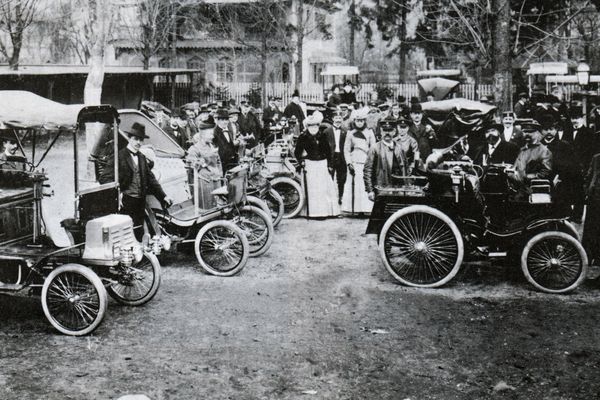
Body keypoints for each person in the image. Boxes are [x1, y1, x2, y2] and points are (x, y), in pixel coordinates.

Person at [111, 122, 172, 241]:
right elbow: (106, 178)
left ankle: (140, 257)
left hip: (140, 201)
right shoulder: (119, 156)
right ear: (129, 138)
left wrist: (163, 196)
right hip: (125, 202)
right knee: (126, 233)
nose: (138, 142)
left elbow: (151, 180)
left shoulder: (142, 158)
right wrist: (118, 193)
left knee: (138, 230)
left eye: (140, 140)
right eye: (135, 139)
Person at [294, 113, 340, 218]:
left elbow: (328, 151)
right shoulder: (303, 136)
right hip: (310, 165)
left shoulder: (322, 135)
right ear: (307, 126)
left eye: (315, 125)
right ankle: (313, 213)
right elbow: (297, 152)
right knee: (313, 190)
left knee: (324, 189)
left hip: (322, 164)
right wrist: (301, 161)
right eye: (311, 126)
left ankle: (325, 212)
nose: (313, 128)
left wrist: (329, 164)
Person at [539, 114, 578, 215]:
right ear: (541, 131)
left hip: (560, 186)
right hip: (539, 185)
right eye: (545, 129)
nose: (548, 132)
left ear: (556, 130)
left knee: (559, 214)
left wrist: (560, 176)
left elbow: (572, 167)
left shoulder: (564, 146)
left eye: (551, 129)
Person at [364, 119, 409, 202]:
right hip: (382, 188)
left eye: (390, 130)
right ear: (381, 131)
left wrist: (408, 186)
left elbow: (406, 169)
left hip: (399, 188)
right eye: (385, 130)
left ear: (394, 131)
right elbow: (368, 170)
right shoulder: (375, 148)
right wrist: (370, 190)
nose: (387, 133)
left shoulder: (400, 148)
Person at [566, 107, 598, 222]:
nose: (574, 121)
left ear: (582, 119)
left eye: (577, 118)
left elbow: (591, 152)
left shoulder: (589, 133)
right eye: (573, 118)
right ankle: (568, 214)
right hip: (569, 167)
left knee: (579, 192)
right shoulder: (567, 131)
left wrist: (586, 167)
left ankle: (577, 216)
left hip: (582, 167)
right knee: (568, 190)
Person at [342, 108, 376, 214]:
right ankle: (355, 209)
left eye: (362, 120)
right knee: (355, 186)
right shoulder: (351, 133)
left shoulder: (370, 133)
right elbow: (346, 150)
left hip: (366, 161)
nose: (360, 123)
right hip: (355, 162)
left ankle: (366, 209)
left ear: (364, 121)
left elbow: (373, 148)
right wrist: (349, 163)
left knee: (365, 185)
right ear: (354, 121)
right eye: (358, 121)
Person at [186, 121, 223, 208]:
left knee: (218, 207)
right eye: (210, 134)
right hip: (205, 183)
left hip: (216, 180)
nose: (213, 136)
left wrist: (219, 173)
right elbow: (192, 165)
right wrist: (208, 156)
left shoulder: (212, 146)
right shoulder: (194, 149)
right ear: (202, 135)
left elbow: (218, 161)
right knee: (207, 209)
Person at [511, 122, 552, 197]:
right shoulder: (522, 150)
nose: (527, 134)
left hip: (535, 191)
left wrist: (526, 176)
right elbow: (516, 168)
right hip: (519, 190)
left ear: (537, 133)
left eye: (531, 132)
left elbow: (546, 172)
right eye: (525, 131)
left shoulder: (543, 151)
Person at [324, 111, 348, 204]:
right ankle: (329, 199)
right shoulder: (327, 131)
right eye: (336, 118)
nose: (338, 120)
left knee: (341, 178)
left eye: (340, 118)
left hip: (342, 157)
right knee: (330, 178)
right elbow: (325, 147)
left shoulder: (345, 131)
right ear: (333, 119)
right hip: (331, 157)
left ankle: (340, 197)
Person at [583, 152, 600, 266]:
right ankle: (588, 257)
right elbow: (589, 176)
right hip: (594, 199)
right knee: (591, 230)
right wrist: (587, 191)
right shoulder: (596, 158)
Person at [213, 108, 240, 174]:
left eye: (226, 119)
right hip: (221, 164)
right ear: (218, 120)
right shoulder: (215, 132)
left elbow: (230, 145)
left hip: (231, 163)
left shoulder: (228, 131)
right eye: (222, 120)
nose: (225, 122)